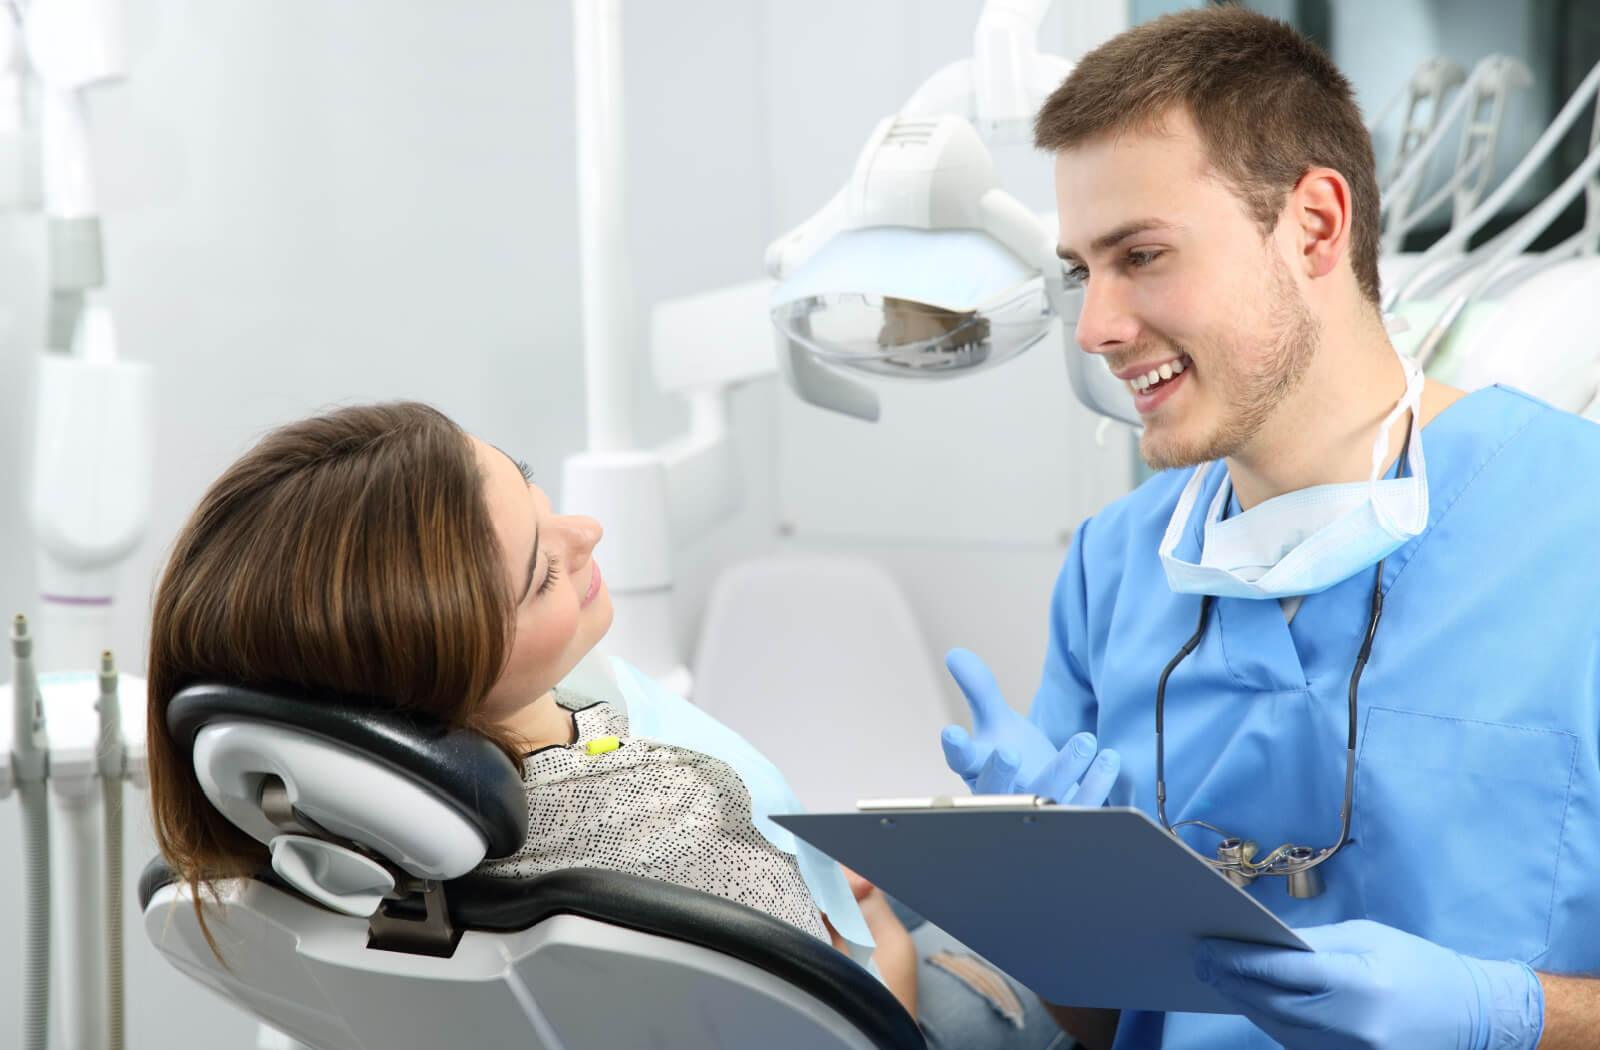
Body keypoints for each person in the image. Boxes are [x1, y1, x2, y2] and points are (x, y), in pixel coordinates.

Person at [939, 7, 1600, 1050]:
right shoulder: (1113, 568)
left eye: (1142, 255)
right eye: (1081, 270)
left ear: (1314, 228)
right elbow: (1091, 1022)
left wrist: (1511, 1016)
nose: (1096, 326)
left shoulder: (1577, 530)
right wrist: (1037, 906)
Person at [145, 401, 1068, 1050]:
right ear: (443, 672)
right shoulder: (671, 813)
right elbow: (862, 1020)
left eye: (535, 494)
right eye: (540, 573)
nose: (582, 531)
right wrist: (884, 940)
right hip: (884, 1007)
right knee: (1040, 922)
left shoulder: (310, 845)